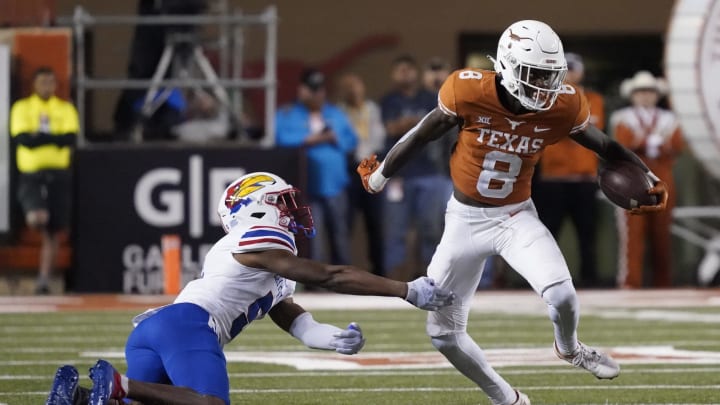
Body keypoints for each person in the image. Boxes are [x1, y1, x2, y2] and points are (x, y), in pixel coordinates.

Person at [357, 20, 668, 405]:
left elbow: (606, 146)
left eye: (550, 75)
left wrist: (645, 172)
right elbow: (422, 133)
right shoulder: (467, 89)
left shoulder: (564, 104)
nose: (544, 84)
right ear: (506, 65)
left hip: (515, 216)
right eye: (534, 73)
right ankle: (508, 399)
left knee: (564, 297)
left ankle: (569, 349)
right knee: (442, 335)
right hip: (464, 221)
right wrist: (381, 175)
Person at [45, 171, 455, 405]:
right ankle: (119, 385)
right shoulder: (258, 237)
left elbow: (293, 319)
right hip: (189, 325)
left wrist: (331, 337)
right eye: (283, 202)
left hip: (158, 329)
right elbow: (330, 275)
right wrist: (406, 290)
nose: (291, 211)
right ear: (256, 207)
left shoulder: (269, 261)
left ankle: (79, 397)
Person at [533, 52, 606, 287]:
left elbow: (592, 133)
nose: (570, 73)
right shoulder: (543, 97)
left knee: (587, 234)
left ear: (581, 71)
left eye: (574, 68)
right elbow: (556, 130)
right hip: (553, 178)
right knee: (548, 234)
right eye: (566, 68)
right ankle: (545, 280)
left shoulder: (594, 99)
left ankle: (589, 280)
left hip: (584, 178)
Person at [380, 55, 453, 280]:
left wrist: (410, 124)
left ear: (416, 73)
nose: (404, 74)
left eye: (408, 69)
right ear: (393, 74)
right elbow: (391, 128)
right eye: (399, 70)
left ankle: (429, 276)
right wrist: (418, 123)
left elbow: (440, 127)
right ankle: (395, 278)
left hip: (429, 173)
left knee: (430, 229)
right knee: (396, 230)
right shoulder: (388, 101)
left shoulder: (430, 98)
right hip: (398, 174)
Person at [276, 68, 358, 266]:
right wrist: (311, 139)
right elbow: (280, 138)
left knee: (340, 236)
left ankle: (346, 285)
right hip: (308, 188)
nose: (316, 94)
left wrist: (334, 139)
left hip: (336, 186)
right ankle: (317, 286)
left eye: (319, 89)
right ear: (301, 90)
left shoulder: (335, 113)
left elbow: (351, 140)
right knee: (315, 239)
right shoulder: (288, 113)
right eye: (311, 89)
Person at [611, 71, 684, 289]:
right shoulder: (622, 117)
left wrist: (644, 144)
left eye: (650, 91)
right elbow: (622, 145)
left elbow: (677, 146)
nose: (645, 96)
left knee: (662, 235)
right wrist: (652, 144)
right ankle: (630, 282)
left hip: (662, 181)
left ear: (657, 95)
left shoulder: (670, 119)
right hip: (632, 181)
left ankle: (663, 283)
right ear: (633, 95)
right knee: (632, 234)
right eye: (640, 92)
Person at [10, 66, 79, 295]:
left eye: (51, 82)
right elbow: (23, 140)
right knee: (38, 217)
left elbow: (69, 138)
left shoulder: (65, 108)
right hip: (32, 175)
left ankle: (43, 279)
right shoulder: (23, 107)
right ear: (34, 84)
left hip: (58, 175)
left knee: (53, 231)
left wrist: (39, 137)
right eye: (42, 82)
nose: (47, 86)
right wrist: (53, 139)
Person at [336, 72, 387, 275]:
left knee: (375, 222)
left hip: (371, 166)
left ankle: (379, 271)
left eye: (355, 85)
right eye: (347, 86)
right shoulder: (340, 111)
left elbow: (379, 137)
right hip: (349, 169)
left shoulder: (372, 109)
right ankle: (344, 271)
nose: (352, 90)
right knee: (345, 222)